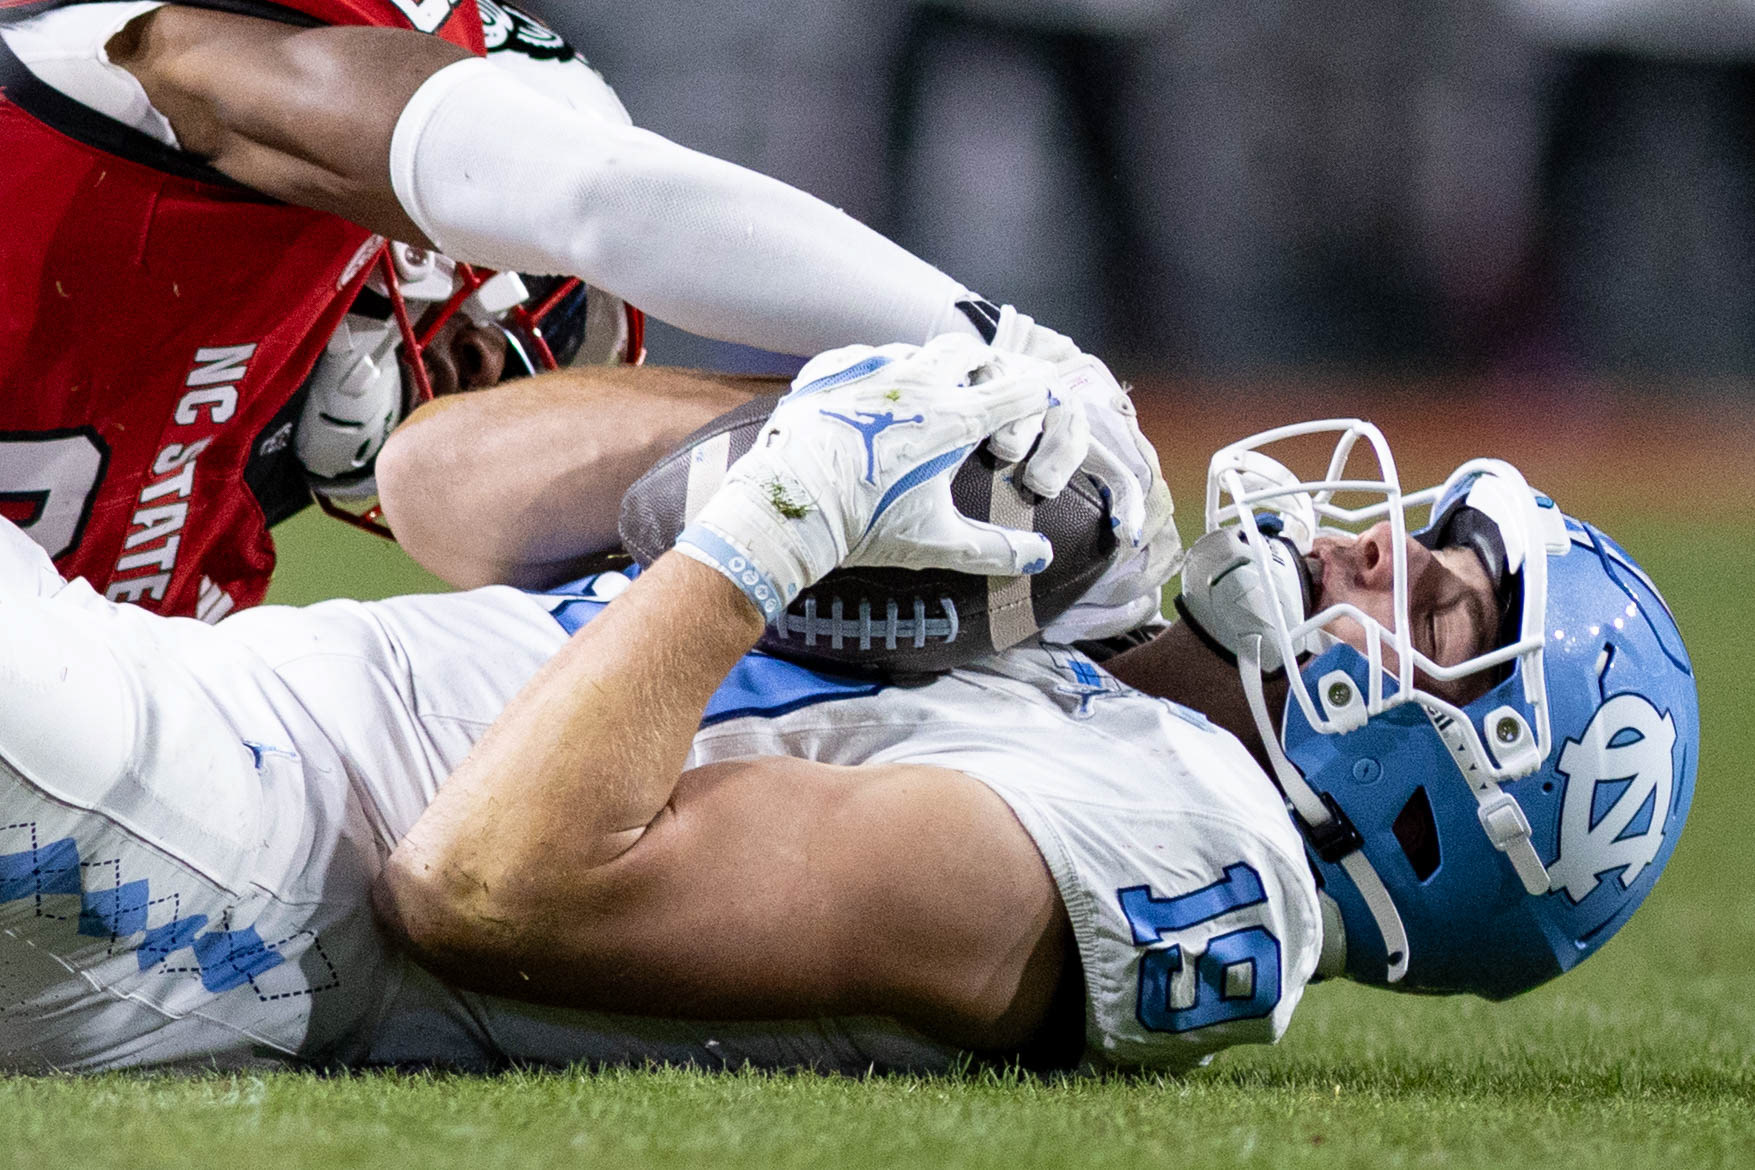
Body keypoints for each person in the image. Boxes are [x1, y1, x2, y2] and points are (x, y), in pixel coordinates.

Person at [0, 337, 1695, 1073]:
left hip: (207, 852)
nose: (1365, 548)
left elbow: (486, 885)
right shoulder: (1077, 629)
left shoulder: (1198, 847)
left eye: (1440, 599)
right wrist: (858, 406)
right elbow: (439, 483)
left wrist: (795, 510)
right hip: (171, 716)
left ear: (1444, 797)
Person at [0, 0, 1125, 622]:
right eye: (507, 316)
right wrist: (999, 342)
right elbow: (600, 198)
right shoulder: (138, 69)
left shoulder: (223, 528)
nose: (488, 367)